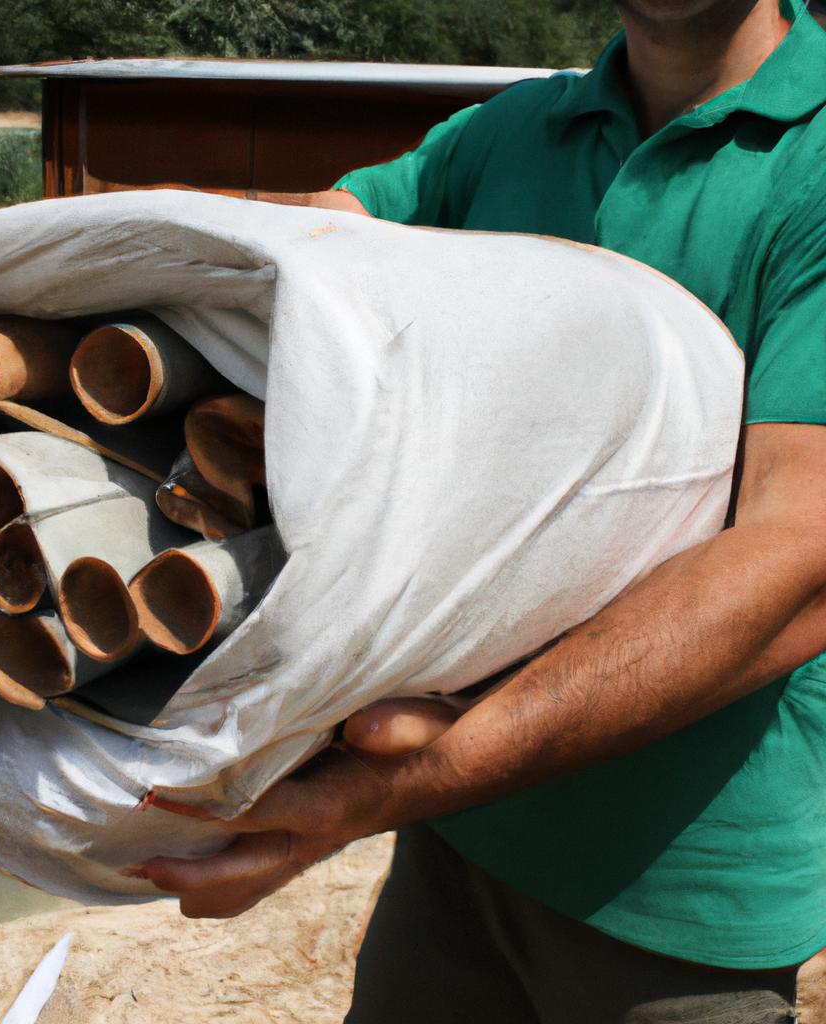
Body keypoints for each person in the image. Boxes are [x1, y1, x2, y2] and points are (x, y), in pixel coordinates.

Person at [122, 0, 826, 1019]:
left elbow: (796, 553)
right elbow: (312, 241)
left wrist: (394, 787)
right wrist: (43, 258)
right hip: (463, 850)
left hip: (677, 887)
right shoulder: (513, 131)